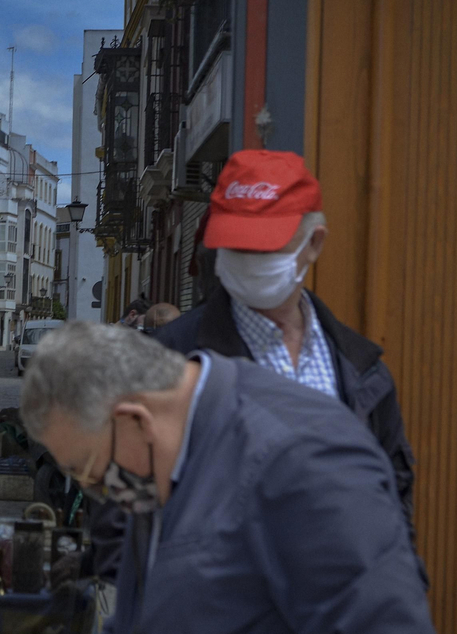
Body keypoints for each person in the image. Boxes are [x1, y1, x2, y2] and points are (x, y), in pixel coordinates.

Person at [4, 322, 457, 634]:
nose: (98, 491)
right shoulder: (159, 464)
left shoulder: (294, 459)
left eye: (89, 471)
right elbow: (141, 626)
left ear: (135, 420)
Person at [153, 150, 419, 557]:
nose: (247, 263)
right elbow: (132, 516)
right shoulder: (170, 359)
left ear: (313, 244)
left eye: (264, 248)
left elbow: (393, 500)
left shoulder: (363, 371)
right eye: (235, 247)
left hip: (339, 609)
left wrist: (396, 589)